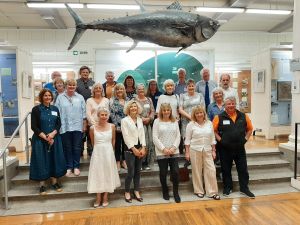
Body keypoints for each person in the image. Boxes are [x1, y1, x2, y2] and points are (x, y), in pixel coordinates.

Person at [213, 96, 255, 198]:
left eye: (232, 103)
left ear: (235, 104)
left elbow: (250, 129)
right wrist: (221, 141)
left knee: (243, 169)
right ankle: (227, 188)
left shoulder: (243, 116)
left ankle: (244, 188)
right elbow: (213, 131)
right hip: (224, 149)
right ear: (225, 105)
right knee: (226, 169)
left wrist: (245, 139)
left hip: (239, 148)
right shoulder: (219, 117)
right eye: (228, 104)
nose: (231, 105)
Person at [30, 89, 66, 195]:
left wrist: (52, 134)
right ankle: (42, 185)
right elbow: (34, 126)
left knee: (54, 159)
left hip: (54, 139)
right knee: (41, 161)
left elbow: (58, 124)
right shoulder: (36, 109)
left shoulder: (55, 108)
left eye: (49, 95)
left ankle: (54, 182)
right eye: (45, 95)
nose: (47, 97)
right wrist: (46, 137)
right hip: (40, 140)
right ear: (41, 97)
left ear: (52, 97)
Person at [87, 107, 121, 208]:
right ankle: (98, 197)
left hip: (108, 153)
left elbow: (113, 140)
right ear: (98, 116)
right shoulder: (92, 128)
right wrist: (98, 150)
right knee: (98, 174)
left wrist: (110, 150)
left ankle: (105, 196)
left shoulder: (112, 126)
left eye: (106, 115)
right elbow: (93, 142)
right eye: (102, 115)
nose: (104, 117)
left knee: (107, 173)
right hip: (97, 153)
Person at [185, 106, 220, 200]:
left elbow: (212, 138)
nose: (199, 114)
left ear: (204, 113)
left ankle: (212, 192)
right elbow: (187, 140)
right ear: (194, 115)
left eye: (201, 112)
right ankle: (199, 191)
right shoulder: (190, 125)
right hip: (195, 149)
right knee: (196, 171)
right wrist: (187, 153)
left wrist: (213, 150)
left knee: (211, 170)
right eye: (197, 113)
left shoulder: (209, 123)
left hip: (208, 149)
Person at [55, 78, 87, 177]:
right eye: (69, 85)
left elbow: (84, 112)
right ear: (66, 86)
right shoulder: (60, 97)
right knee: (67, 147)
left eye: (73, 85)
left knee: (77, 147)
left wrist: (84, 125)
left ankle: (76, 167)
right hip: (65, 126)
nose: (71, 87)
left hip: (77, 125)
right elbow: (57, 112)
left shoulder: (80, 97)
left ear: (76, 86)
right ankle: (69, 167)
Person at [153, 103, 181, 203]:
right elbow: (155, 137)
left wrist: (173, 148)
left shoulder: (175, 121)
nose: (166, 112)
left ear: (170, 111)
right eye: (164, 110)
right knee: (163, 173)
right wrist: (164, 149)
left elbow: (178, 136)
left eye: (168, 110)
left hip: (174, 151)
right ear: (161, 111)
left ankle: (176, 192)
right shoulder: (157, 121)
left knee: (176, 172)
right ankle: (165, 190)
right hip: (161, 152)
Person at [121, 100, 146, 203]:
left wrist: (144, 147)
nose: (133, 108)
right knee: (131, 172)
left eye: (135, 106)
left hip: (140, 148)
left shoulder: (140, 119)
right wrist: (133, 149)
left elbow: (142, 134)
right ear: (128, 108)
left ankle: (136, 191)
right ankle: (127, 191)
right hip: (130, 149)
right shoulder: (124, 120)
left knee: (138, 172)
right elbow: (126, 136)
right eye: (131, 107)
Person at [76, 66, 95, 156]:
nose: (85, 73)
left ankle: (90, 150)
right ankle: (80, 150)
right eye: (83, 72)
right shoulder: (76, 83)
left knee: (90, 129)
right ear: (80, 73)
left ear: (89, 73)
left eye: (87, 72)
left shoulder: (93, 83)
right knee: (82, 130)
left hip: (91, 110)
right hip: (80, 110)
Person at [135, 83, 155, 170]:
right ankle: (140, 163)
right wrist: (141, 119)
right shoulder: (134, 100)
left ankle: (147, 163)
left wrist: (149, 118)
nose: (141, 91)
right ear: (136, 90)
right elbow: (133, 112)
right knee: (140, 143)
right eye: (139, 89)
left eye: (142, 89)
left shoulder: (149, 100)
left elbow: (152, 111)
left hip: (148, 125)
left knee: (149, 142)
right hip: (138, 126)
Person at [110, 83, 128, 171]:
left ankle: (124, 160)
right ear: (115, 91)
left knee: (126, 145)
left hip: (127, 127)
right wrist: (117, 126)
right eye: (118, 89)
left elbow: (130, 113)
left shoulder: (127, 100)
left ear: (124, 90)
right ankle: (117, 161)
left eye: (121, 89)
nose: (119, 91)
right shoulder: (112, 100)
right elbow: (112, 114)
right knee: (117, 144)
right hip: (117, 127)